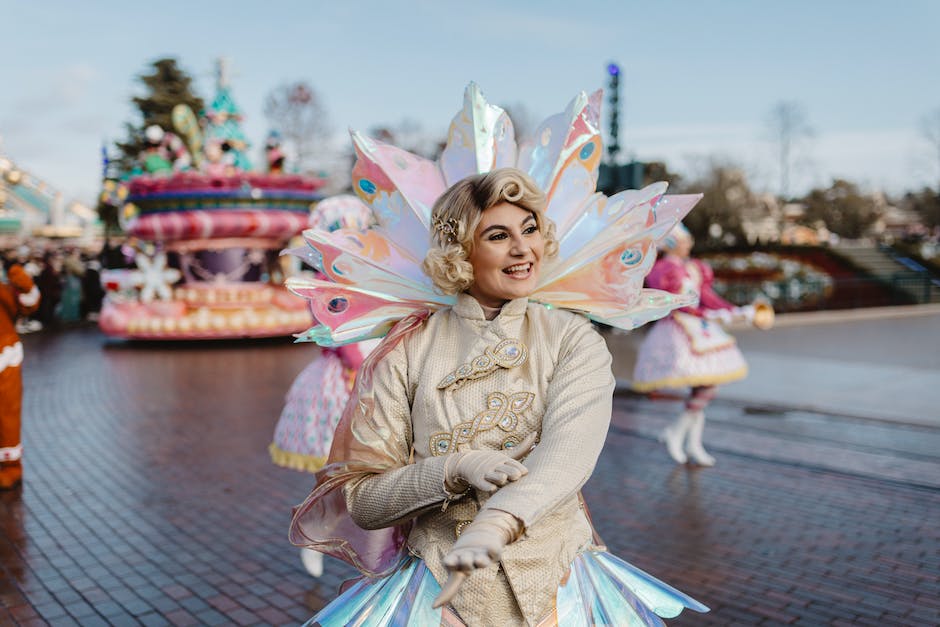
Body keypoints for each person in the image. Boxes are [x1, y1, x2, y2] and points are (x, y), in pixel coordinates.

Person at [289, 169, 708, 625]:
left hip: (558, 589)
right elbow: (365, 502)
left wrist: (497, 522)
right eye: (497, 235)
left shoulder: (572, 339)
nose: (522, 248)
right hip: (440, 599)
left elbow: (570, 452)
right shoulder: (408, 350)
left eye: (529, 230)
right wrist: (452, 470)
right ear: (461, 253)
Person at [270, 195, 379, 578]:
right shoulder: (325, 284)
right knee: (342, 473)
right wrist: (367, 367)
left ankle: (375, 546)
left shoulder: (370, 277)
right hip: (347, 381)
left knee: (376, 472)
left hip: (374, 372)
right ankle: (317, 531)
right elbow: (339, 335)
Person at [631, 223, 771, 466]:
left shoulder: (692, 268)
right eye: (684, 242)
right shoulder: (663, 269)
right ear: (672, 244)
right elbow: (674, 302)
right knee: (705, 387)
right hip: (678, 330)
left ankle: (686, 440)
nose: (689, 246)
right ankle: (679, 436)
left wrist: (733, 310)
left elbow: (707, 297)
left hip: (698, 328)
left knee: (705, 388)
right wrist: (707, 315)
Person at [0, 262, 40, 489]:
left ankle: (10, 467)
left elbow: (28, 305)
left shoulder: (3, 289)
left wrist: (23, 284)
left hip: (4, 357)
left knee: (6, 413)